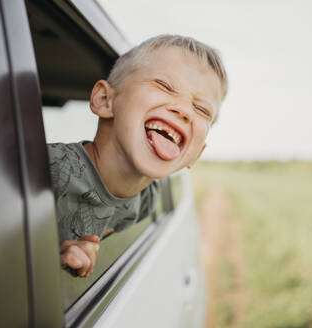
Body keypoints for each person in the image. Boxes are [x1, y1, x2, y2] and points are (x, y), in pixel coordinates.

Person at [49, 34, 228, 277]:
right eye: (165, 86)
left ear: (196, 154)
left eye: (201, 109)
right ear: (104, 100)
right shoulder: (46, 170)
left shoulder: (146, 201)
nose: (184, 110)